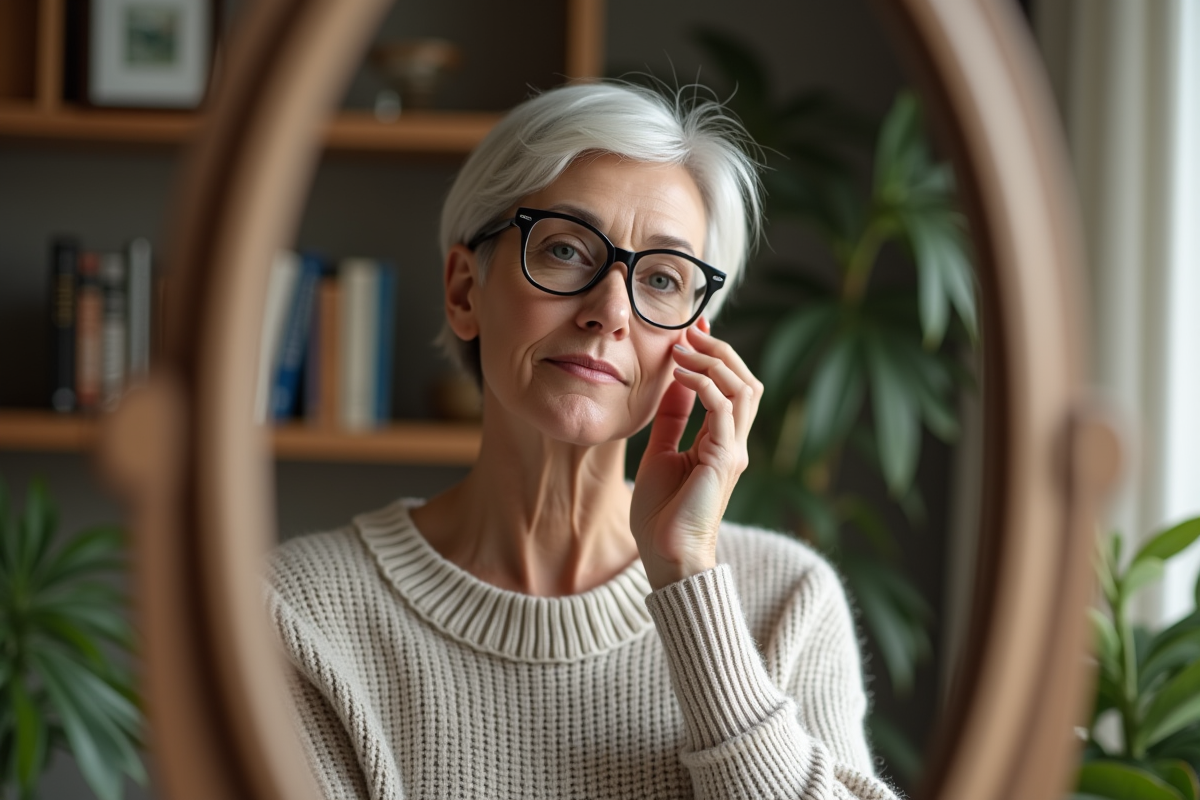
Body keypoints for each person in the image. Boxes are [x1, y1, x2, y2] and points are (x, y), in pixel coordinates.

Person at [264, 81, 901, 800]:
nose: (610, 311)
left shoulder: (786, 600)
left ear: (696, 338)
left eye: (662, 278)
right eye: (566, 249)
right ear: (465, 291)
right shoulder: (299, 615)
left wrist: (687, 580)